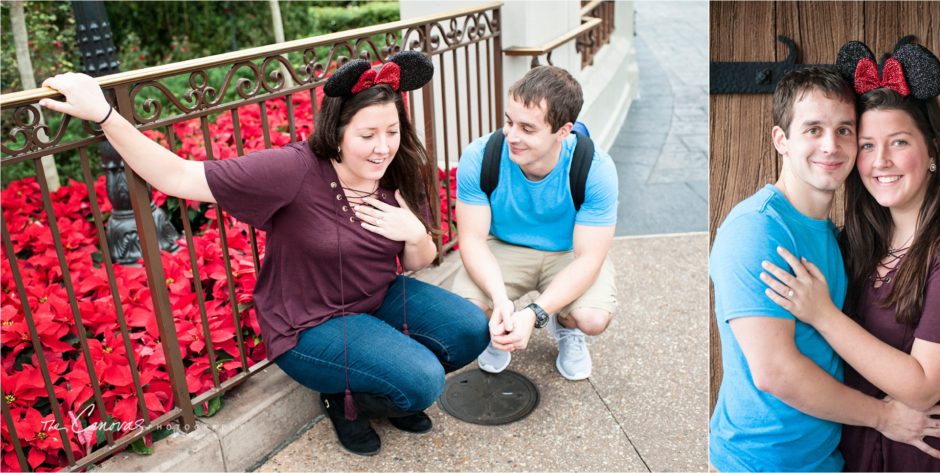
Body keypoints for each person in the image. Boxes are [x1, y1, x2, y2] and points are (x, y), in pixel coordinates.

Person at [38, 51, 490, 457]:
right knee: (424, 380)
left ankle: (383, 387)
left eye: (391, 131)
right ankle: (344, 398)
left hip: (378, 297)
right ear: (336, 132)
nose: (382, 147)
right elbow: (178, 177)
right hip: (309, 323)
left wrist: (413, 233)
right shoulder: (293, 170)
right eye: (367, 134)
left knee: (472, 330)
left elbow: (418, 261)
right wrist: (104, 113)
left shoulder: (397, 167)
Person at [761, 40, 940, 471]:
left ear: (933, 149)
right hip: (859, 455)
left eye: (898, 142)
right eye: (865, 145)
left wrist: (822, 314)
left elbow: (921, 388)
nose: (880, 161)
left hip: (936, 460)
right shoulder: (860, 239)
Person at [708, 64, 940, 472]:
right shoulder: (757, 229)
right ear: (782, 140)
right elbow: (775, 372)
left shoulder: (833, 235)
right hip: (762, 461)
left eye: (845, 130)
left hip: (824, 457)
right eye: (813, 129)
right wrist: (884, 418)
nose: (831, 145)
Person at [452, 65, 618, 381]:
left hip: (567, 252)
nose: (512, 136)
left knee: (592, 318)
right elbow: (472, 240)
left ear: (563, 131)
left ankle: (565, 324)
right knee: (468, 315)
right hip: (503, 247)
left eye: (527, 129)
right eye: (509, 122)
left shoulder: (596, 168)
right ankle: (500, 328)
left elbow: (590, 258)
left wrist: (536, 314)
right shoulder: (481, 155)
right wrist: (501, 304)